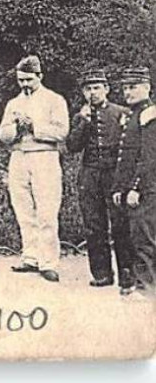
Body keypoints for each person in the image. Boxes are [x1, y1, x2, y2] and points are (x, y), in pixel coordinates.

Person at [0, 54, 69, 283]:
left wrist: (35, 126)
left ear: (40, 76)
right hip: (19, 156)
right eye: (21, 80)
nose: (25, 85)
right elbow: (2, 134)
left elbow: (61, 131)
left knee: (46, 210)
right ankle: (30, 256)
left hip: (44, 157)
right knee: (23, 209)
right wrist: (16, 129)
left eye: (29, 80)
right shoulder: (13, 103)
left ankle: (48, 262)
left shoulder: (54, 100)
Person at [69, 67, 133, 290]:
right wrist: (83, 121)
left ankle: (127, 273)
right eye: (88, 89)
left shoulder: (121, 113)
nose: (92, 93)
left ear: (106, 89)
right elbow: (72, 146)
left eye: (97, 88)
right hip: (90, 175)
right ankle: (102, 273)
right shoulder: (81, 115)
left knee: (121, 224)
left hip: (114, 175)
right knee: (94, 226)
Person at [114, 66, 155, 298]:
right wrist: (120, 187)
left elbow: (149, 155)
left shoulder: (150, 113)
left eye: (133, 87)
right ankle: (136, 285)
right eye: (125, 87)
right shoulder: (132, 114)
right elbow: (126, 156)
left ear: (147, 88)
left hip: (147, 186)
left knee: (144, 237)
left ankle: (147, 288)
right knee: (131, 235)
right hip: (130, 186)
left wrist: (136, 187)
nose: (127, 92)